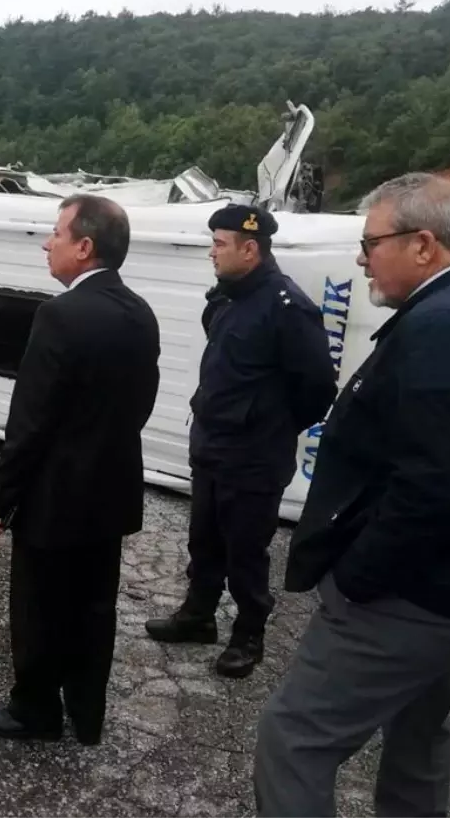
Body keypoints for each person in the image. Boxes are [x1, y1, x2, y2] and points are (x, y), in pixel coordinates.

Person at [253, 173, 450, 817]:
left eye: (371, 241)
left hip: (419, 595)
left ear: (424, 245)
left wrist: (360, 578)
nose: (362, 257)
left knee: (296, 738)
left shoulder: (446, 325)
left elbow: (435, 483)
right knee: (420, 731)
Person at [0, 193, 161, 746]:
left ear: (84, 246)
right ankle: (86, 711)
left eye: (55, 233)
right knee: (94, 607)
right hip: (111, 491)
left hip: (56, 497)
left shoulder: (59, 315)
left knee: (39, 608)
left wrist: (1, 497)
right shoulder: (139, 311)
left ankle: (35, 709)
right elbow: (140, 403)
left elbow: (30, 420)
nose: (46, 243)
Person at [144, 204, 337, 678]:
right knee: (204, 538)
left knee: (246, 550)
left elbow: (317, 390)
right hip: (213, 444)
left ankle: (248, 635)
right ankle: (198, 616)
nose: (212, 252)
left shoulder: (288, 307)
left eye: (219, 244)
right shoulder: (229, 297)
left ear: (250, 249)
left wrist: (269, 428)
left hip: (254, 457)